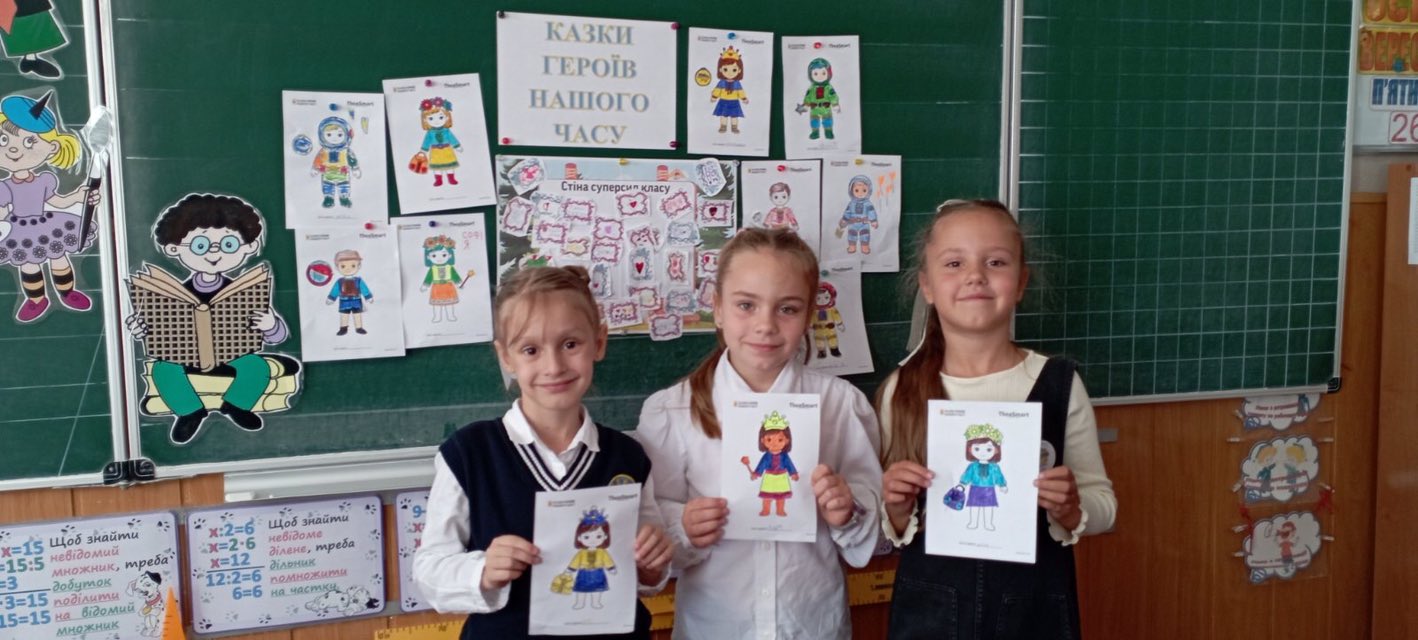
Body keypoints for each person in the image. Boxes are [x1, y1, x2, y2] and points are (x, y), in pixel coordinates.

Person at [877, 199, 1116, 639]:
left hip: (1034, 611)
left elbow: (1105, 507)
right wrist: (894, 506)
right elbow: (890, 525)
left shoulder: (1059, 384)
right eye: (955, 263)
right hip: (931, 611)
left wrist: (1072, 507)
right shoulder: (902, 388)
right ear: (927, 285)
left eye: (996, 262)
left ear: (1021, 282)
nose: (975, 275)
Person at [635, 227, 883, 639]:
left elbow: (869, 533)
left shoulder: (840, 405)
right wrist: (683, 527)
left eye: (787, 308)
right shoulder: (672, 412)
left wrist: (847, 509)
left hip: (810, 626)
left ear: (809, 314)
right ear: (717, 308)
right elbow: (651, 527)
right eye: (746, 305)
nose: (765, 325)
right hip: (714, 628)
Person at [413, 266, 673, 640]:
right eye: (531, 350)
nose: (554, 366)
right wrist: (483, 569)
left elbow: (646, 575)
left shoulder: (629, 457)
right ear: (506, 357)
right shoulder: (469, 454)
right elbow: (429, 571)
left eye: (570, 344)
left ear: (599, 343)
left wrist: (652, 564)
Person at [125, 194, 288, 445]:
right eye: (200, 245)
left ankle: (236, 406)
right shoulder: (173, 295)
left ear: (249, 247)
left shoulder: (245, 292)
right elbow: (156, 332)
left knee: (257, 367)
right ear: (173, 248)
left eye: (229, 245)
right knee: (162, 369)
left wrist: (271, 326)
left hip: (231, 355)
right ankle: (189, 412)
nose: (215, 253)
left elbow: (278, 337)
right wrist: (140, 329)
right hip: (185, 357)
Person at [0, 91, 99, 322]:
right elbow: (3, 209)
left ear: (52, 148)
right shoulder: (5, 186)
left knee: (59, 258)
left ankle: (67, 291)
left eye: (29, 141)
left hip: (47, 224)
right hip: (19, 229)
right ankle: (36, 299)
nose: (13, 149)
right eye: (4, 139)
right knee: (29, 264)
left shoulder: (45, 179)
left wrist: (78, 196)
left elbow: (56, 202)